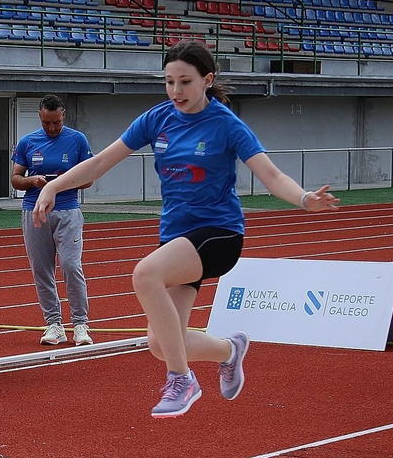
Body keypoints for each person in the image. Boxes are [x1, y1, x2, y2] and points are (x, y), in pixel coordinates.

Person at [31, 40, 338, 418]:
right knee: (160, 343)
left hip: (220, 233)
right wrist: (53, 185)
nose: (176, 91)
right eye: (169, 82)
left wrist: (305, 198)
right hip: (177, 236)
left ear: (207, 80)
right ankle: (230, 350)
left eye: (185, 82)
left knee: (146, 274)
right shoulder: (157, 118)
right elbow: (100, 163)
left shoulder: (226, 124)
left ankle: (182, 378)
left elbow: (271, 175)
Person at [12, 94, 95, 348]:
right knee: (41, 269)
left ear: (63, 117)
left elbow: (89, 177)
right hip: (34, 210)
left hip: (67, 210)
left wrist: (63, 182)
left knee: (71, 266)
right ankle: (54, 324)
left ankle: (80, 324)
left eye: (56, 122)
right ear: (40, 117)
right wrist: (32, 181)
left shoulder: (77, 140)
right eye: (47, 123)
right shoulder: (28, 142)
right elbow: (15, 179)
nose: (52, 128)